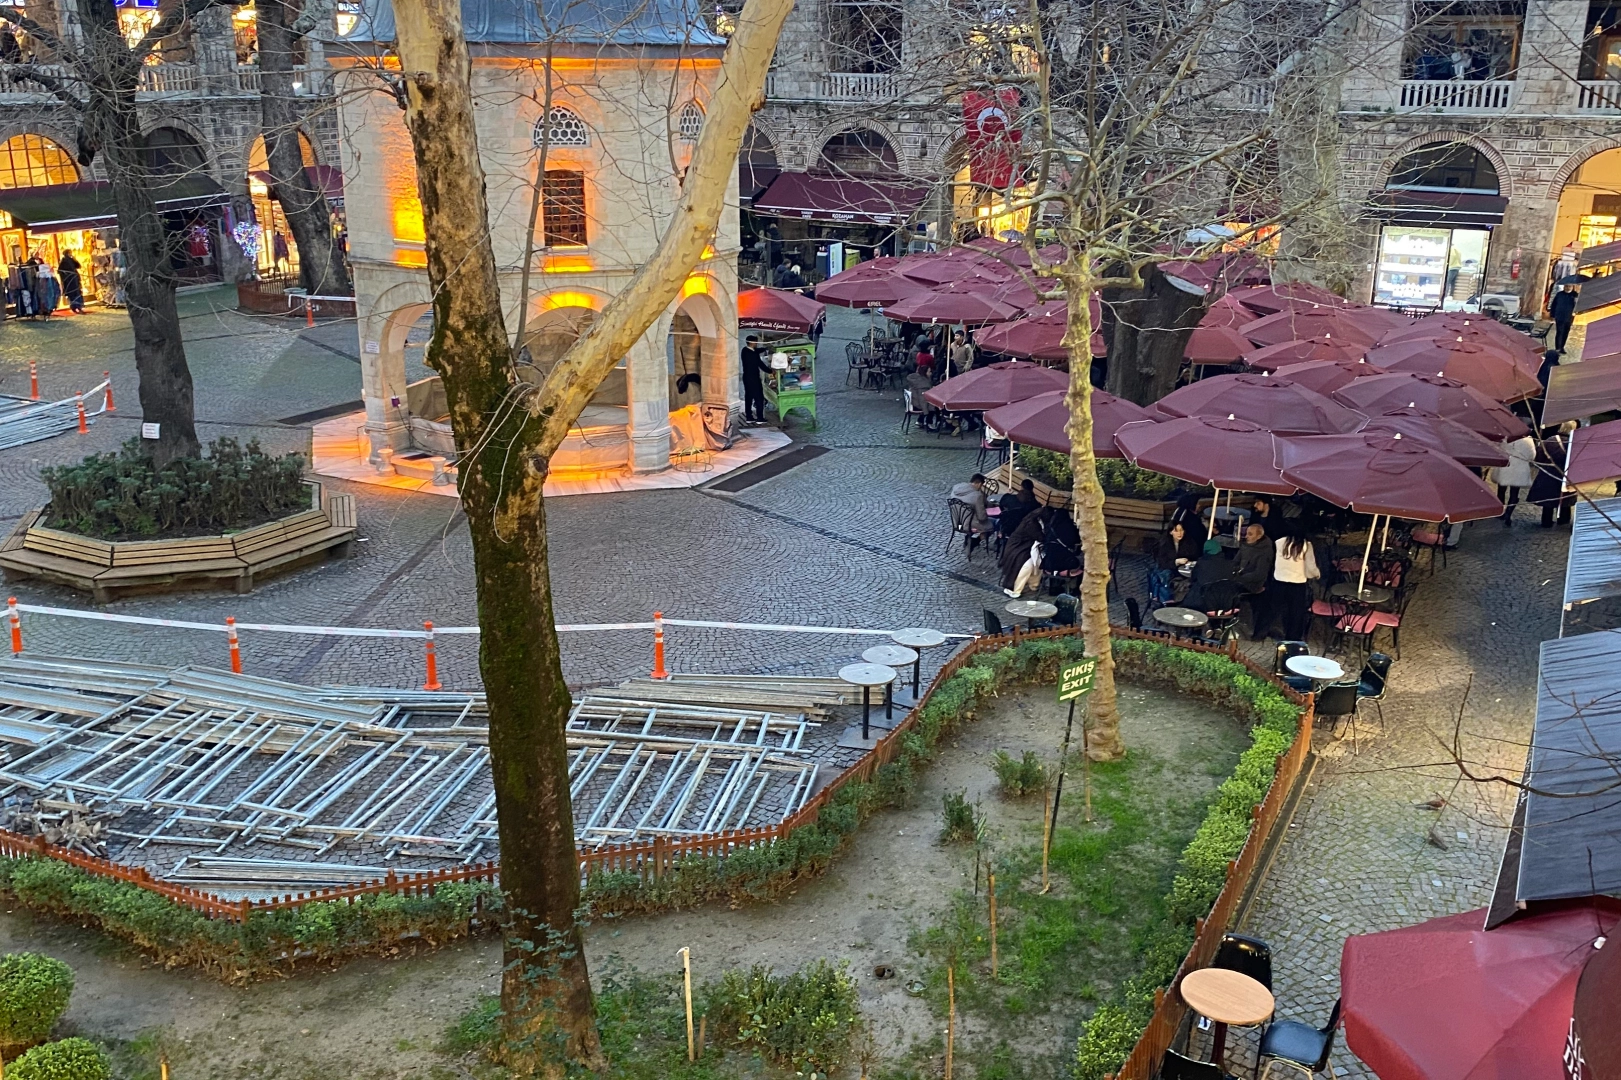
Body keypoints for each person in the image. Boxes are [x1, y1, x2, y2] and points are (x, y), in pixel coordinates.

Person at [1269, 527, 1320, 642]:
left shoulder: (1279, 542)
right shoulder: (1306, 545)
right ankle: (1293, 637)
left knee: (1274, 608)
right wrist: (1316, 574)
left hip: (1279, 579)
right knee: (1296, 612)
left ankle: (1262, 631)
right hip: (1297, 583)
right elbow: (1310, 566)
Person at [1232, 522, 1275, 639]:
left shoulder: (1265, 551)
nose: (1246, 536)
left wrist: (1239, 578)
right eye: (1247, 533)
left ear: (1259, 536)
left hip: (1253, 584)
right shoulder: (1245, 546)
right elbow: (1235, 561)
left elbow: (1259, 574)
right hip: (1240, 578)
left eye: (1250, 534)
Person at [1530, 425, 1576, 527]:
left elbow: (1539, 457)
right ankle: (1563, 520)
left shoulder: (1550, 440)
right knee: (1565, 499)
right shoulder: (1575, 443)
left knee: (1548, 500)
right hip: (1566, 475)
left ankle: (1546, 522)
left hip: (1549, 473)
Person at [999, 505, 1048, 595]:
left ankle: (1033, 584)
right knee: (1027, 565)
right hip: (1017, 548)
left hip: (1025, 546)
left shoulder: (1033, 521)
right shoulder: (1031, 524)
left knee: (1038, 562)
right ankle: (1016, 587)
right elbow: (1040, 537)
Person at [1493, 433, 1536, 526]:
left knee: (1501, 490)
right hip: (1519, 469)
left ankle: (1500, 512)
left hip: (1505, 466)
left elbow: (1496, 449)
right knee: (1514, 493)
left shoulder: (1504, 438)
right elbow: (1532, 456)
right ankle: (1508, 514)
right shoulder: (1528, 441)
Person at [949, 473, 994, 543]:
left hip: (958, 524)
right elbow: (982, 518)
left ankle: (969, 538)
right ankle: (975, 541)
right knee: (994, 524)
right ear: (979, 484)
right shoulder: (977, 496)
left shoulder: (956, 488)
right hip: (968, 526)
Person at [739, 335, 771, 425]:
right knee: (759, 397)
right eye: (756, 342)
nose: (757, 344)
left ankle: (749, 417)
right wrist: (770, 371)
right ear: (752, 342)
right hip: (754, 378)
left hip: (746, 377)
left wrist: (764, 349)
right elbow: (760, 364)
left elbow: (756, 350)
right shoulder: (753, 354)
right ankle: (760, 418)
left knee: (748, 397)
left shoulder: (744, 350)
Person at [1550, 284, 1578, 353]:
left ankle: (1562, 347)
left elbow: (1577, 305)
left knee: (1566, 333)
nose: (1568, 288)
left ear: (1572, 287)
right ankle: (1558, 348)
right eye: (1566, 286)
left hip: (1569, 317)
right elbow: (1554, 304)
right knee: (1559, 332)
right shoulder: (1559, 294)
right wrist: (1552, 315)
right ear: (1564, 287)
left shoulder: (1574, 295)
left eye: (1569, 286)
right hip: (1559, 316)